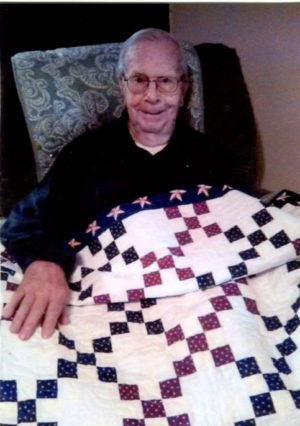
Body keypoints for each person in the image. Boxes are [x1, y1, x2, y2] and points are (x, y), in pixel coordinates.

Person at [1, 28, 227, 341]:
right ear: (121, 84)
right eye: (138, 80)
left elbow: (237, 225)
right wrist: (45, 261)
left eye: (165, 81)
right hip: (107, 309)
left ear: (183, 87)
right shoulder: (85, 154)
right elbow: (24, 219)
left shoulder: (212, 156)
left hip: (193, 305)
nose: (152, 96)